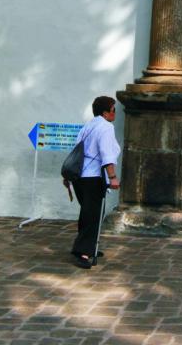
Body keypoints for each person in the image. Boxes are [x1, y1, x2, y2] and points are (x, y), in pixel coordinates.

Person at [66, 96, 121, 269]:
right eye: (113, 110)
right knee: (93, 215)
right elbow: (107, 154)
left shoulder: (88, 126)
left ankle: (89, 247)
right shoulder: (106, 127)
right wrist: (113, 177)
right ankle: (82, 251)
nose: (115, 113)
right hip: (93, 177)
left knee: (88, 213)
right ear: (105, 113)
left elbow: (76, 150)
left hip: (80, 177)